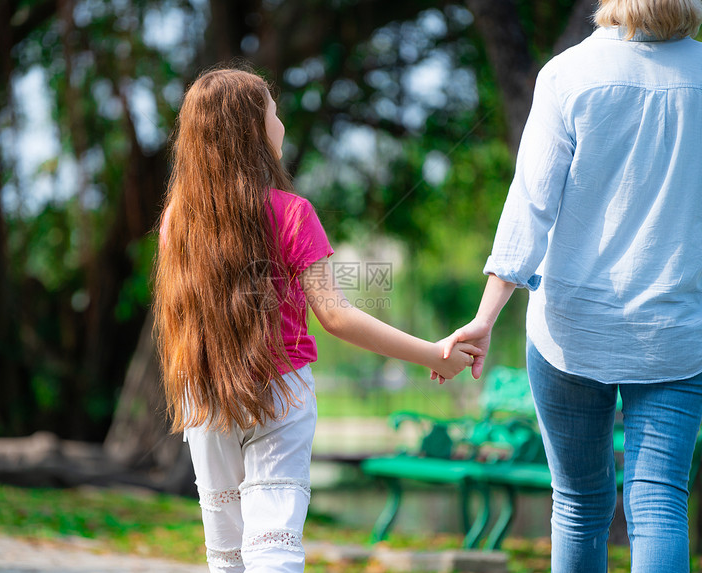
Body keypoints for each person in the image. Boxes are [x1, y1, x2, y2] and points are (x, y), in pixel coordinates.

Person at [440, 1, 702, 571]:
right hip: (678, 330)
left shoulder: (567, 75)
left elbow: (529, 209)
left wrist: (484, 319)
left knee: (580, 504)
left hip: (572, 330)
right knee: (659, 504)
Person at [153, 67, 479, 573]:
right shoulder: (292, 213)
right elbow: (336, 315)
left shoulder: (177, 220)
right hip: (281, 391)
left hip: (206, 394)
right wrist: (433, 352)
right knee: (275, 544)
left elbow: (180, 316)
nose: (280, 123)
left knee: (226, 552)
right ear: (252, 132)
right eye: (273, 112)